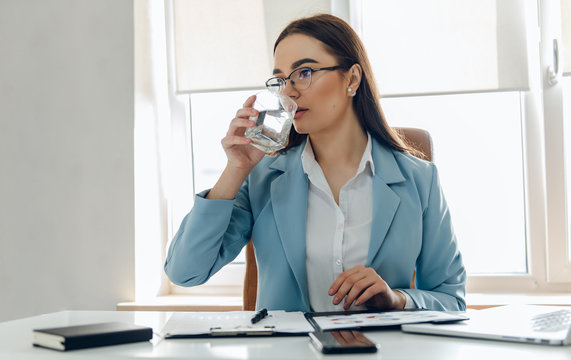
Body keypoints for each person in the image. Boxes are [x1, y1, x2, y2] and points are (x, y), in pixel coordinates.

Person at [164, 14, 466, 312]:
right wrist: (236, 169)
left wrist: (398, 299)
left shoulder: (420, 181)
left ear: (352, 79)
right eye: (281, 79)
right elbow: (184, 271)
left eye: (304, 72)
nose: (289, 91)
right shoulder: (262, 178)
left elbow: (452, 300)